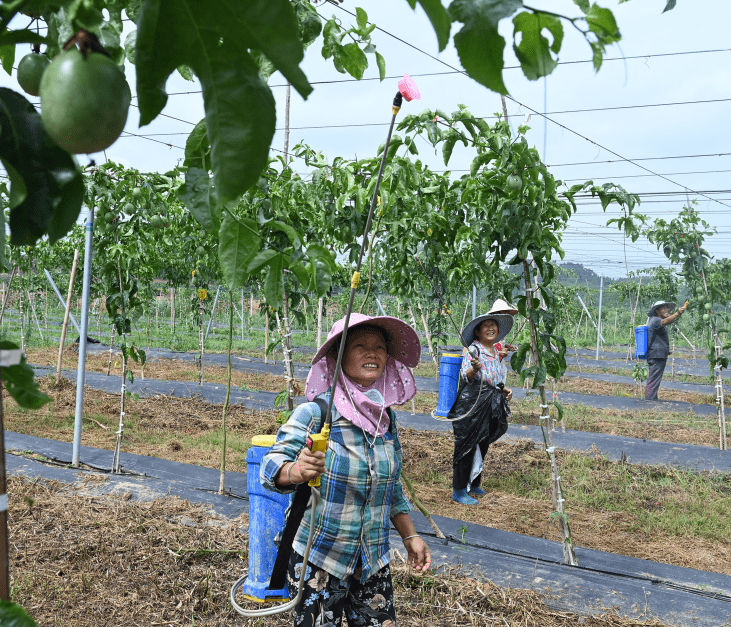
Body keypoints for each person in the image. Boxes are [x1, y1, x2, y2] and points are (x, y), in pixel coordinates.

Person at [261, 313, 431, 627]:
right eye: (360, 346)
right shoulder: (316, 413)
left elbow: (392, 491)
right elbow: (270, 467)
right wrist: (296, 470)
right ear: (337, 358)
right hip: (321, 556)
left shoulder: (386, 421)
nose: (373, 353)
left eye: (380, 347)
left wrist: (412, 538)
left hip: (372, 559)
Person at [449, 312, 514, 505]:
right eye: (486, 325)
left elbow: (493, 378)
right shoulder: (473, 350)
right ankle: (459, 490)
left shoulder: (494, 351)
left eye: (493, 325)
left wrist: (504, 390)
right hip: (472, 402)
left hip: (490, 401)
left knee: (483, 442)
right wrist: (474, 369)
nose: (491, 328)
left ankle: (475, 484)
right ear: (477, 331)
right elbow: (466, 376)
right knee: (467, 444)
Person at [645, 300, 687, 400]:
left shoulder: (659, 322)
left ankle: (652, 399)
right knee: (654, 379)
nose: (667, 309)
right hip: (656, 355)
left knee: (655, 379)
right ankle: (650, 401)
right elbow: (665, 321)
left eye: (667, 307)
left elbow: (668, 321)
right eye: (663, 307)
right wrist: (678, 313)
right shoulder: (655, 320)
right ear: (657, 310)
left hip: (659, 354)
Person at [487, 298, 519, 367]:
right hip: (489, 365)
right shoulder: (489, 329)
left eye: (506, 313)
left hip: (499, 364)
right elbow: (483, 348)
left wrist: (508, 346)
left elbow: (498, 343)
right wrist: (498, 353)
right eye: (504, 312)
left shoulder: (500, 328)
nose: (506, 315)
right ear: (496, 313)